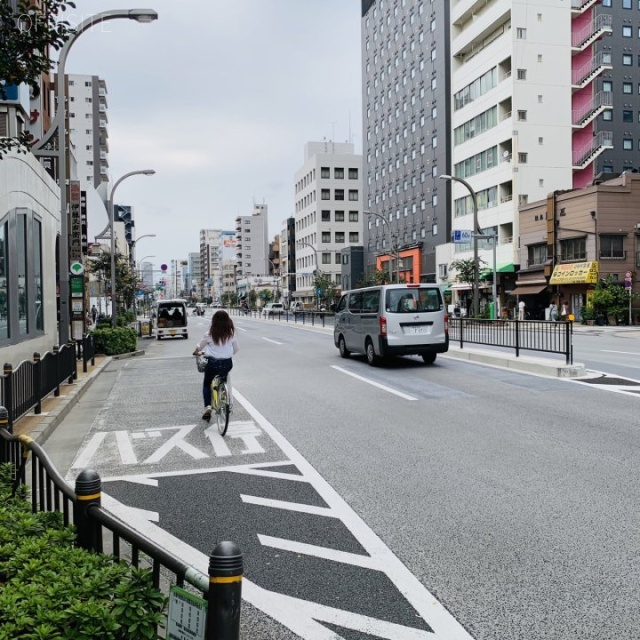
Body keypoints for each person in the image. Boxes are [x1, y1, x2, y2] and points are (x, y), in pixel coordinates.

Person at [193, 310, 239, 421]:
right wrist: (226, 354)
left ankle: (208, 407)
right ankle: (225, 397)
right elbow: (236, 349)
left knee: (207, 383)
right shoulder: (230, 334)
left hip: (212, 364)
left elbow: (199, 347)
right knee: (224, 377)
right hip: (227, 363)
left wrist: (196, 352)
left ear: (214, 321)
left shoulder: (209, 334)